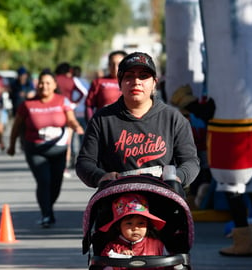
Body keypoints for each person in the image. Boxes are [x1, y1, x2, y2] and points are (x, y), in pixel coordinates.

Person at [76, 51, 200, 190]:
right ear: (120, 83)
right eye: (129, 76)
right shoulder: (102, 120)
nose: (136, 82)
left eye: (143, 76)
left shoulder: (174, 119)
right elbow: (85, 162)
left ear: (154, 83)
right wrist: (100, 177)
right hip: (115, 197)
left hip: (163, 196)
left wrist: (177, 177)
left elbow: (190, 162)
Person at [7, 68, 84, 228]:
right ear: (37, 85)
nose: (44, 86)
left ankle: (48, 206)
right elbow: (16, 126)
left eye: (48, 83)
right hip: (35, 148)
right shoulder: (27, 104)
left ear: (54, 84)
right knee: (43, 181)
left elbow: (70, 119)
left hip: (58, 149)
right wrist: (12, 145)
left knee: (56, 184)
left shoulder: (62, 100)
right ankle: (46, 214)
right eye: (41, 83)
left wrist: (77, 127)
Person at [54, 62, 88, 176]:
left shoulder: (55, 79)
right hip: (68, 110)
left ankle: (52, 164)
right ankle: (64, 167)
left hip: (53, 110)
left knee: (53, 138)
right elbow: (83, 92)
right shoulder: (72, 80)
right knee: (66, 140)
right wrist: (74, 103)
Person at [84, 50, 127, 122]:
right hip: (104, 124)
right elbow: (89, 105)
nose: (115, 68)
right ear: (108, 65)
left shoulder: (132, 83)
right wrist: (91, 124)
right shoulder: (98, 82)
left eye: (119, 64)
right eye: (112, 64)